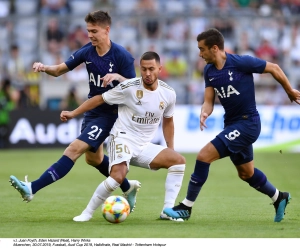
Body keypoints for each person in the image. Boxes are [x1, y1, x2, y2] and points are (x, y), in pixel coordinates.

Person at [9, 10, 141, 212]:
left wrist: (117, 77)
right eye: (88, 30)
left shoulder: (122, 56)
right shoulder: (87, 51)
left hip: (110, 115)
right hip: (92, 112)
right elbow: (60, 69)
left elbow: (134, 88)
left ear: (107, 30)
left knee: (73, 149)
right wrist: (44, 67)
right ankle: (127, 186)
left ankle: (31, 188)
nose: (90, 35)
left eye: (94, 31)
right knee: (93, 159)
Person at [163, 28, 300, 222]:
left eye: (202, 49)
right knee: (246, 173)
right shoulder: (209, 71)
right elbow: (209, 100)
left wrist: (289, 91)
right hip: (232, 125)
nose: (200, 54)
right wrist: (204, 111)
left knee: (203, 156)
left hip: (248, 123)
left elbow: (274, 68)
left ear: (215, 48)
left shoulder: (241, 62)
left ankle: (186, 207)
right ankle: (279, 197)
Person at [60, 51, 186, 222]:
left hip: (143, 146)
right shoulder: (129, 88)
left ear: (160, 69)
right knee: (118, 176)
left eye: (151, 69)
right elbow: (99, 99)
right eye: (143, 69)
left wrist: (170, 149)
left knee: (178, 161)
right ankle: (87, 213)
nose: (147, 74)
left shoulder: (168, 93)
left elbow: (168, 121)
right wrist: (74, 113)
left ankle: (167, 210)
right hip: (122, 138)